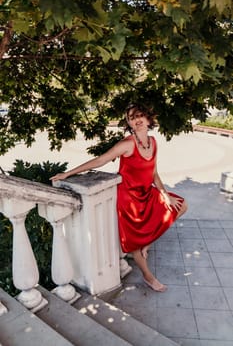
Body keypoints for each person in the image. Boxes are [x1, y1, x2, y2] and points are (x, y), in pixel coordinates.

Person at [50, 104, 187, 292]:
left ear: (148, 119)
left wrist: (164, 195)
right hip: (129, 199)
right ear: (129, 123)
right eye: (131, 118)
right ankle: (149, 277)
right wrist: (67, 174)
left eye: (139, 116)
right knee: (133, 244)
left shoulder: (153, 142)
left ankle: (147, 242)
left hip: (147, 193)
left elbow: (154, 173)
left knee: (181, 205)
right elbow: (100, 160)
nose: (136, 120)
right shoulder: (127, 144)